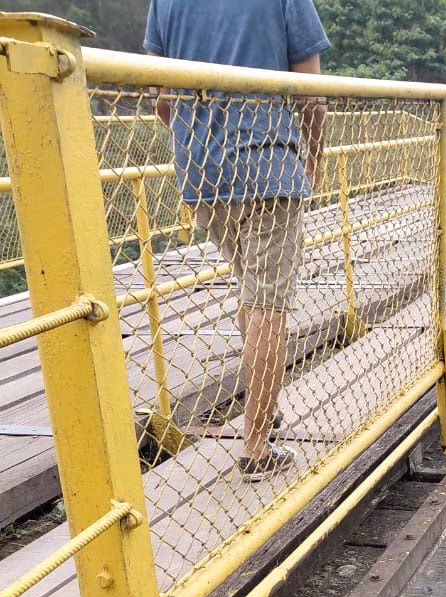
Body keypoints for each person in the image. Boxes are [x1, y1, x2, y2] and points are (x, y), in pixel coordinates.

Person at [144, 0, 330, 479]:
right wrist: (314, 157)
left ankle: (261, 409)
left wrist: (199, 137)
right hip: (269, 165)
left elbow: (162, 100)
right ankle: (256, 447)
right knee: (268, 302)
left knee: (250, 288)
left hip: (203, 174)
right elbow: (311, 94)